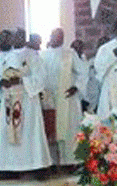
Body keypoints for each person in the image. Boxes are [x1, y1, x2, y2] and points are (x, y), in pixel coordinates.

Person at [0, 28, 50, 173]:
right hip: (9, 98)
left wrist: (21, 80)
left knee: (29, 131)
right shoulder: (4, 57)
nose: (17, 39)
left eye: (20, 36)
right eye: (15, 36)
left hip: (27, 99)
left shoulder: (33, 55)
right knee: (10, 129)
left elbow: (41, 77)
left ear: (24, 38)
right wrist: (1, 82)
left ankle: (35, 166)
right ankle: (10, 168)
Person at [42, 28, 85, 166]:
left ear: (63, 39)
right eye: (54, 36)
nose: (57, 38)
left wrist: (76, 87)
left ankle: (70, 162)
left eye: (60, 36)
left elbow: (82, 73)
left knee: (68, 130)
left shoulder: (70, 54)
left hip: (67, 98)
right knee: (50, 129)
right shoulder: (42, 55)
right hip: (49, 99)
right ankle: (52, 163)